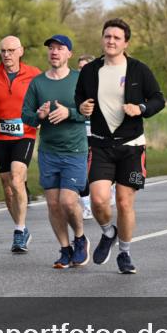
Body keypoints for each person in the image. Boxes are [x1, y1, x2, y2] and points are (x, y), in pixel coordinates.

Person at [75, 18, 166, 275]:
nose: (111, 41)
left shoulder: (138, 69)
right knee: (98, 199)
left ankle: (125, 253)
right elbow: (79, 97)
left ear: (126, 42)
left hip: (133, 147)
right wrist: (82, 107)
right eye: (107, 36)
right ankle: (108, 232)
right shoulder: (90, 70)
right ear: (102, 39)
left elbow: (158, 99)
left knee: (125, 203)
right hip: (101, 145)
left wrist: (141, 108)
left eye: (116, 37)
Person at [22, 35, 90, 268]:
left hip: (74, 150)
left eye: (60, 48)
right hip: (48, 151)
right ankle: (64, 248)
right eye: (51, 48)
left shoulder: (80, 80)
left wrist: (69, 113)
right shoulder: (38, 83)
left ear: (69, 54)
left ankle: (80, 238)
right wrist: (38, 116)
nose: (54, 52)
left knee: (68, 201)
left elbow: (93, 111)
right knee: (52, 204)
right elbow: (25, 115)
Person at [0, 36, 41, 252]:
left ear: (21, 51)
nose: (7, 55)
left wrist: (41, 115)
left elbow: (44, 99)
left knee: (16, 178)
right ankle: (21, 228)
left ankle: (18, 231)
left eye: (11, 50)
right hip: (0, 136)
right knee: (7, 186)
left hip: (25, 133)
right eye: (3, 51)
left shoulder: (34, 74)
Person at [76, 55, 95, 219]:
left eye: (85, 67)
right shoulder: (75, 86)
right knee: (82, 171)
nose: (82, 70)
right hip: (80, 135)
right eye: (79, 67)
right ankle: (87, 206)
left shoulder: (100, 84)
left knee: (96, 172)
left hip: (99, 136)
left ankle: (110, 189)